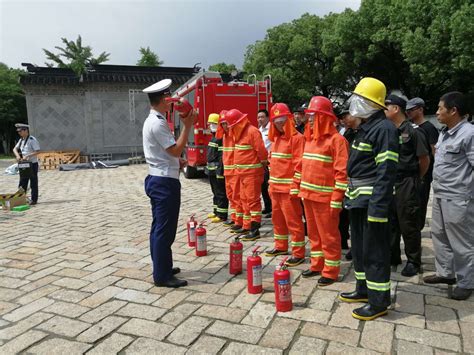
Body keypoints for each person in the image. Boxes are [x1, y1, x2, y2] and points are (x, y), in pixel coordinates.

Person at [339, 77, 399, 321]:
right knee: (361, 250)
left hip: (372, 203)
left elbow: (386, 173)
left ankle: (379, 302)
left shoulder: (384, 130)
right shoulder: (364, 129)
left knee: (375, 253)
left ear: (372, 104)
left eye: (359, 98)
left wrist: (378, 208)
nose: (354, 102)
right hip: (357, 201)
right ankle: (364, 290)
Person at [142, 79, 196, 288]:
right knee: (165, 229)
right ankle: (162, 276)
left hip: (160, 177)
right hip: (164, 182)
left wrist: (176, 160)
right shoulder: (157, 122)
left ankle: (162, 266)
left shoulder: (154, 120)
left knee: (159, 227)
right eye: (170, 98)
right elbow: (173, 149)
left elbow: (165, 153)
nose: (172, 102)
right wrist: (187, 126)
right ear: (165, 99)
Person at [424, 91, 473, 301]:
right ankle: (446, 273)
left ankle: (466, 282)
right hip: (441, 193)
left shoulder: (469, 134)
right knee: (439, 234)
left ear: (454, 111)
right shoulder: (445, 132)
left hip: (458, 197)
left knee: (462, 241)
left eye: (440, 108)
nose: (436, 112)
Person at [296, 96, 349, 286]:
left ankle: (331, 270)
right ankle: (317, 264)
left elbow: (341, 173)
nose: (309, 119)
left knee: (329, 236)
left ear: (324, 118)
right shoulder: (309, 139)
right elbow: (302, 165)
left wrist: (337, 198)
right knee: (313, 234)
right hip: (308, 196)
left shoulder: (337, 140)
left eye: (313, 116)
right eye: (309, 116)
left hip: (325, 198)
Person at [385, 94, 430, 277]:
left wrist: (416, 178)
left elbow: (424, 159)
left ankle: (413, 261)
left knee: (408, 222)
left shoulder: (413, 131)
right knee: (391, 221)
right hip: (391, 181)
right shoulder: (389, 130)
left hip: (407, 181)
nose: (384, 110)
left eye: (386, 107)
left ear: (396, 109)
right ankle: (393, 256)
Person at [264, 103, 306, 267]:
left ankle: (298, 253)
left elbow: (299, 165)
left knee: (294, 222)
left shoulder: (297, 139)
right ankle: (281, 246)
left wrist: (295, 186)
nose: (279, 124)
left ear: (289, 120)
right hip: (275, 188)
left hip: (289, 189)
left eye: (282, 120)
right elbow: (271, 162)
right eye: (275, 121)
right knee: (277, 220)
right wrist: (270, 183)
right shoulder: (276, 140)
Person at [227, 109, 268, 241]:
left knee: (252, 201)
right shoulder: (238, 132)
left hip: (252, 174)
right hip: (242, 173)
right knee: (244, 199)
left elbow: (261, 151)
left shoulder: (252, 131)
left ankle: (255, 229)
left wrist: (262, 165)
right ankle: (246, 225)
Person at [406, 97, 439, 230]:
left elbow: (434, 151)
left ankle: (417, 232)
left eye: (411, 110)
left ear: (420, 109)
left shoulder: (429, 128)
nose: (408, 112)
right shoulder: (409, 128)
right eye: (407, 110)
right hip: (410, 175)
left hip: (424, 174)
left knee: (420, 203)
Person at [205, 113, 228, 223]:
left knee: (220, 193)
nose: (210, 126)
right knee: (215, 192)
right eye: (209, 124)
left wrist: (220, 172)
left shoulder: (220, 138)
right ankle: (216, 211)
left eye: (212, 124)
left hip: (218, 171)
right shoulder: (213, 137)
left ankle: (222, 215)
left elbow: (221, 157)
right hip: (211, 171)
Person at [13, 123, 41, 205]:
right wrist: (18, 156)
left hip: (32, 164)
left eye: (20, 131)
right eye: (18, 131)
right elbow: (14, 149)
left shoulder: (32, 140)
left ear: (26, 130)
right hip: (23, 164)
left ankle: (34, 200)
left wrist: (28, 155)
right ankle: (21, 199)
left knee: (33, 182)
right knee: (22, 182)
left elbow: (38, 151)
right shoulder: (21, 140)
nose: (19, 133)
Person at [257, 109, 272, 217]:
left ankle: (272, 208)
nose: (260, 119)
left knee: (269, 185)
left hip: (269, 162)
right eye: (258, 117)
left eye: (262, 117)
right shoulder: (259, 130)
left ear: (267, 118)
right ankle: (267, 207)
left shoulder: (271, 129)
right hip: (261, 162)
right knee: (263, 186)